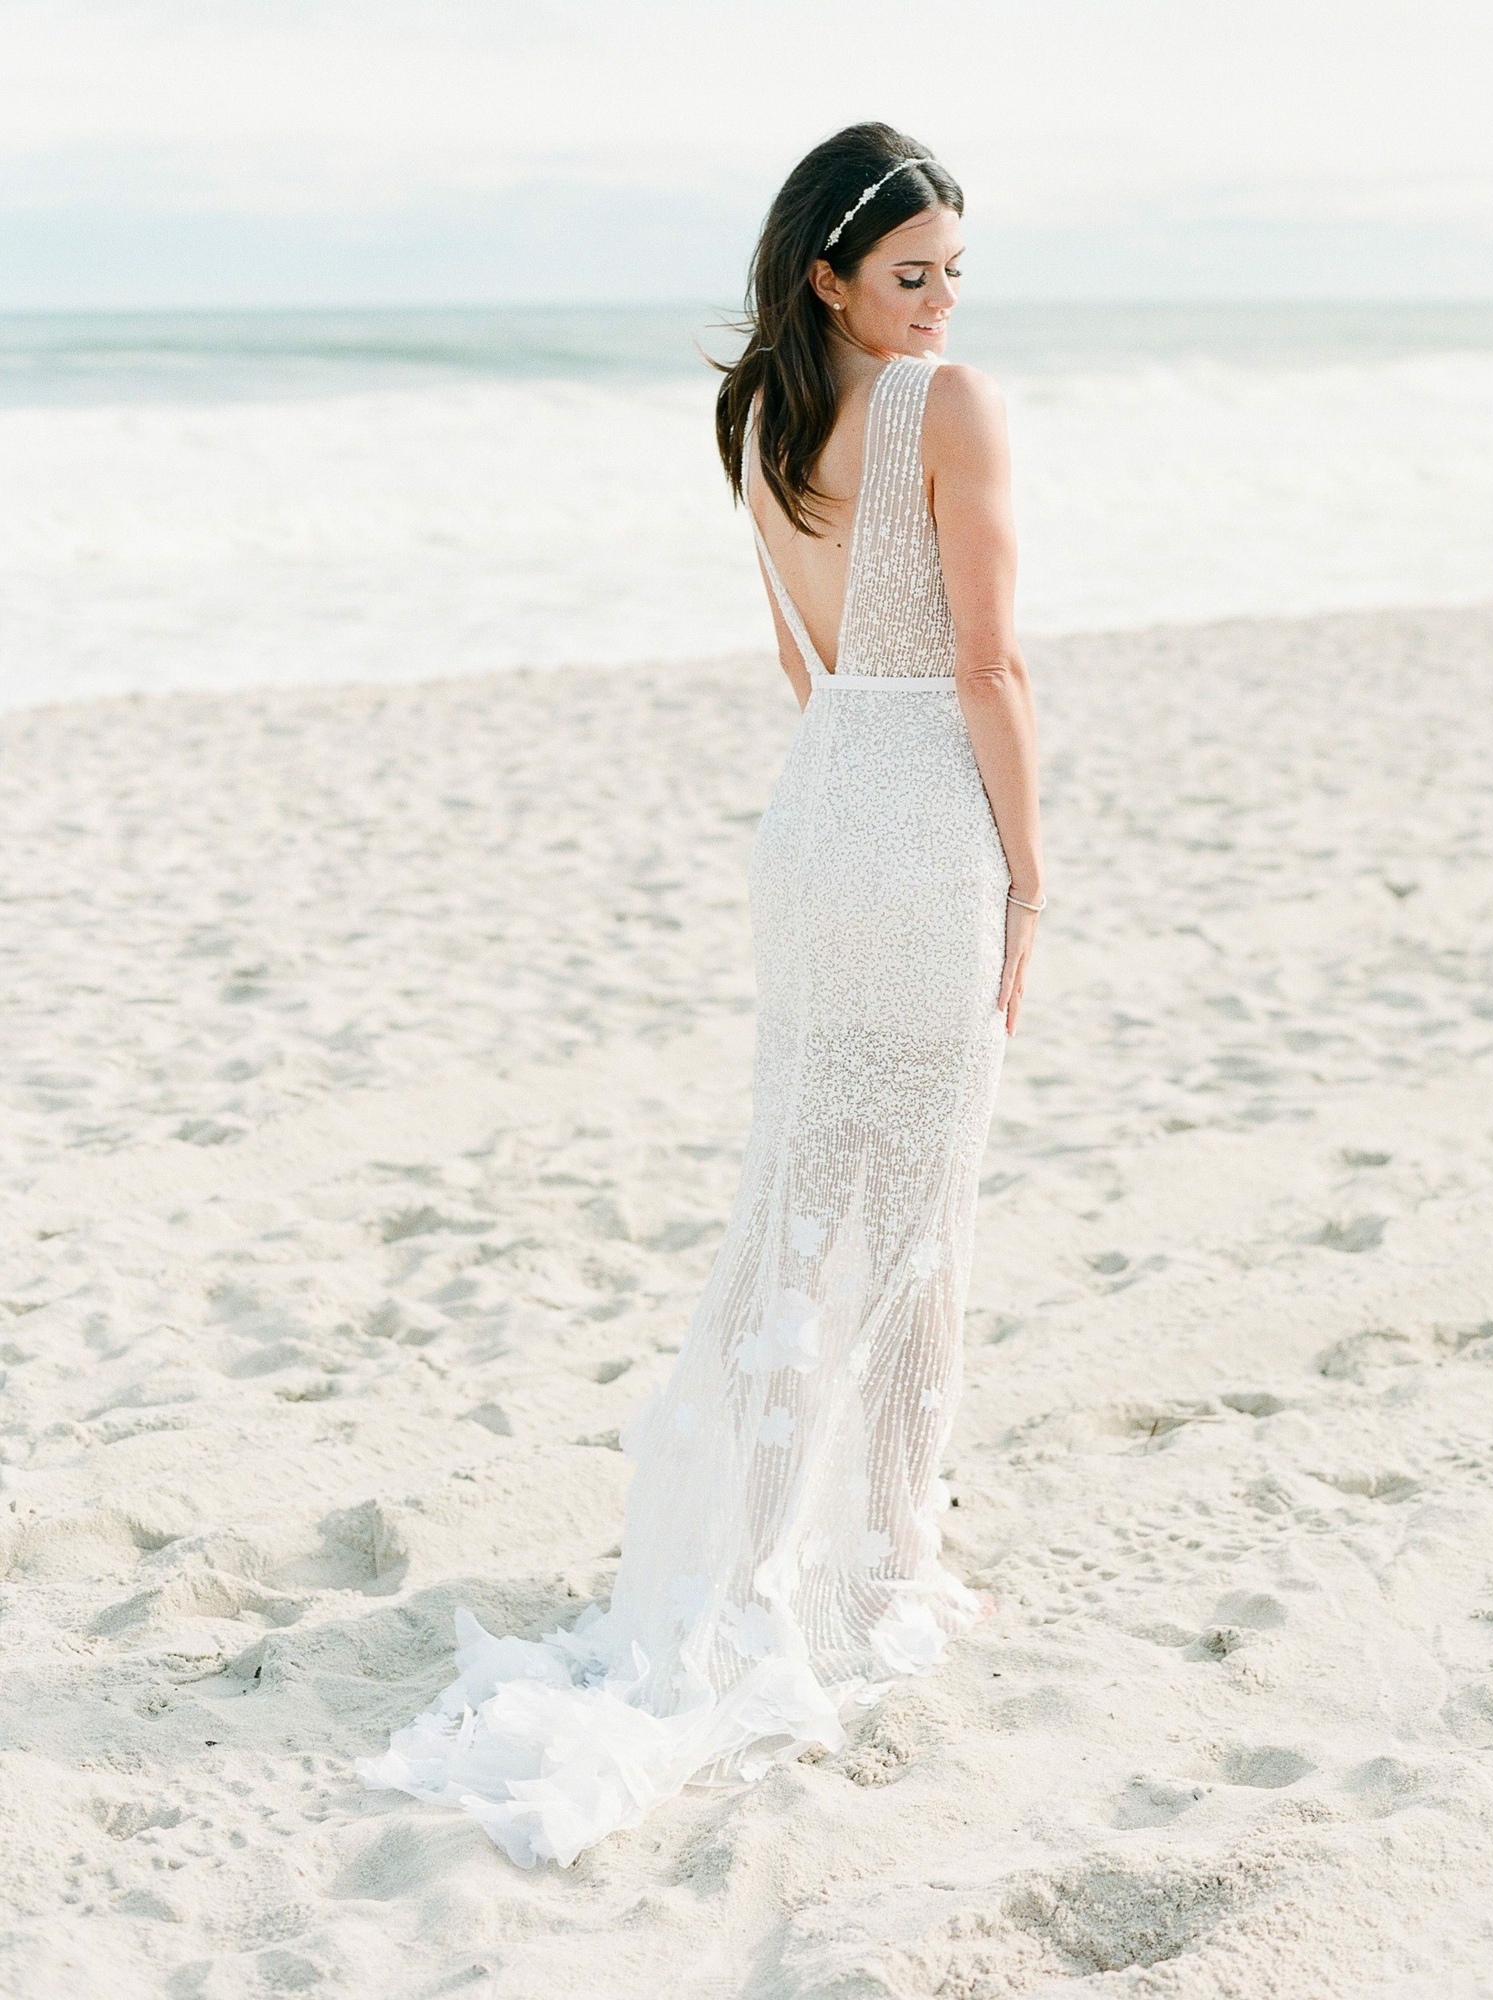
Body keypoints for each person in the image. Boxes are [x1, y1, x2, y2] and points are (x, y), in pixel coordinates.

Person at [356, 120, 1044, 1869]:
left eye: (956, 270)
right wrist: (1030, 873)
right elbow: (985, 662)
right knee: (914, 1212)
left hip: (814, 812)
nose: (943, 303)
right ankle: (881, 1563)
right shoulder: (947, 413)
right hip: (916, 819)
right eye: (911, 275)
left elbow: (799, 656)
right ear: (829, 271)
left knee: (803, 1202)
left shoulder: (753, 418)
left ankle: (758, 1554)